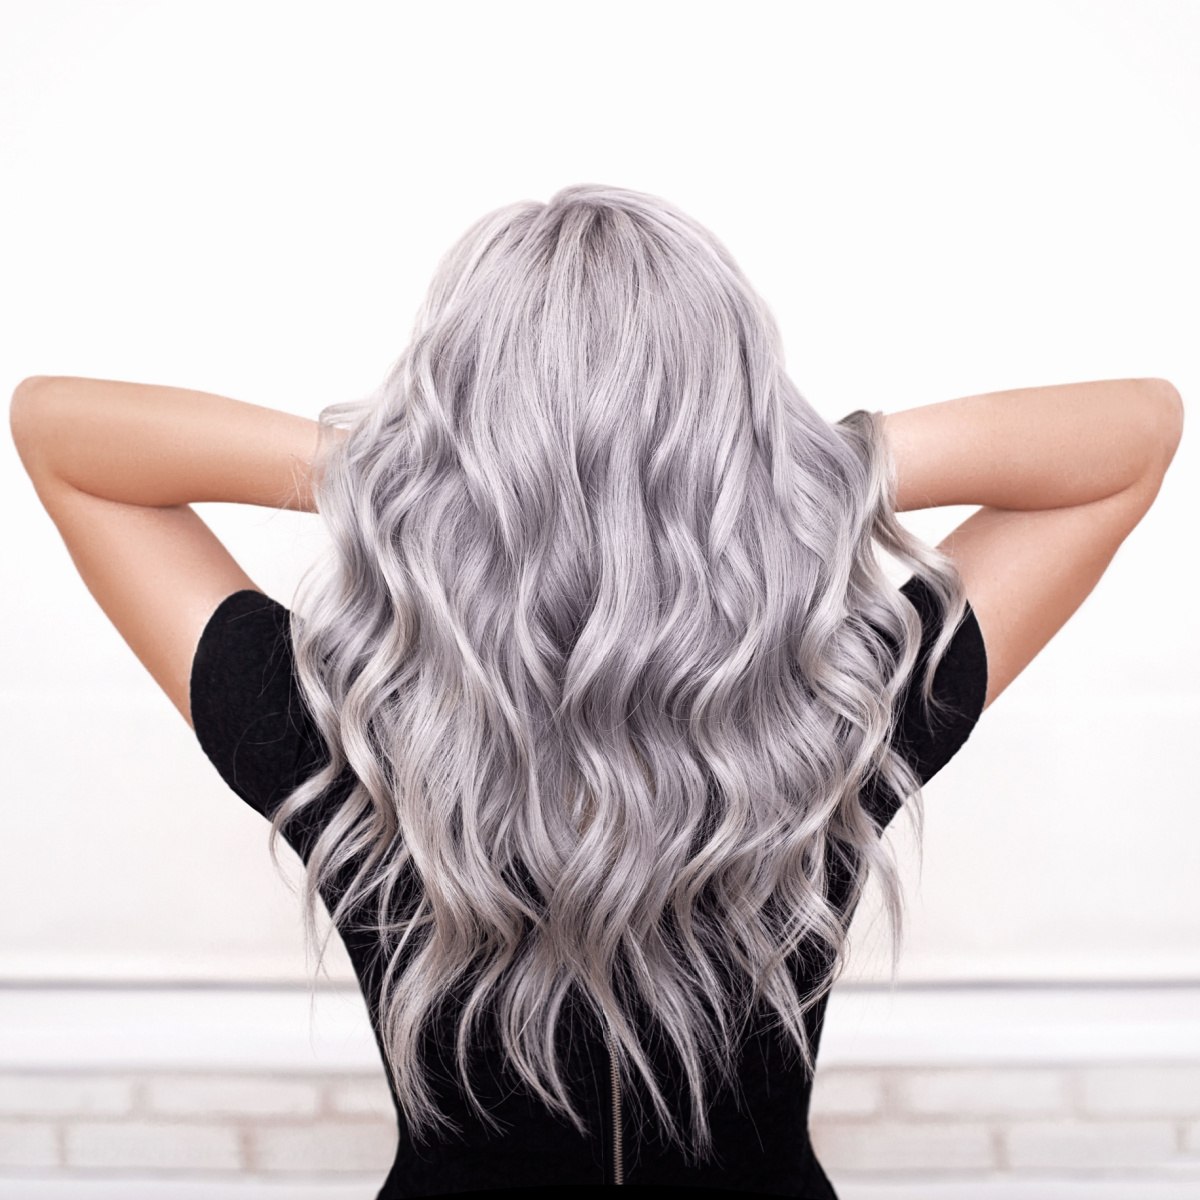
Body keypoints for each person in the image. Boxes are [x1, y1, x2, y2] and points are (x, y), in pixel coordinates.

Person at [9, 184, 1183, 1200]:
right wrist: (789, 469)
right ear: (733, 424)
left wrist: (402, 480)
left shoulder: (339, 728)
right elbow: (1136, 432)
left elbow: (58, 433)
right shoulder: (840, 712)